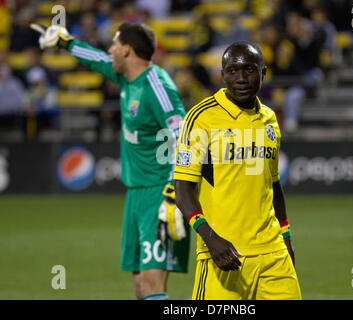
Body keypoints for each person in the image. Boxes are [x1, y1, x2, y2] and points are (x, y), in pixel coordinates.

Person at [31, 22, 190, 300]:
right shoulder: (126, 78)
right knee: (141, 287)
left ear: (127, 51)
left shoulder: (157, 86)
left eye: (114, 45)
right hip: (136, 193)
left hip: (159, 193)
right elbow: (97, 59)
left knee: (154, 285)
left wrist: (173, 192)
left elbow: (184, 135)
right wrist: (66, 42)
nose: (110, 51)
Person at [174, 41, 302, 300]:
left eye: (250, 70)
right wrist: (211, 240)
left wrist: (286, 236)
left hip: (273, 254)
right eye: (232, 71)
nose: (241, 78)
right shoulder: (201, 118)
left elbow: (273, 185)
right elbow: (183, 190)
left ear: (264, 73)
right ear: (222, 75)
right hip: (224, 253)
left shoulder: (270, 119)